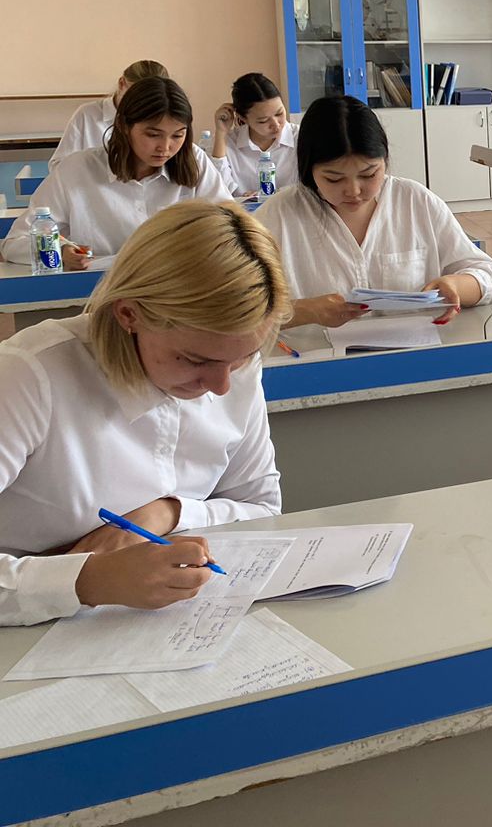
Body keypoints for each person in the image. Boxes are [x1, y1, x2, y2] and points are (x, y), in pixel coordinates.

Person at [0, 201, 291, 626]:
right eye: (194, 359)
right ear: (129, 313)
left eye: (242, 358)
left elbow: (262, 510)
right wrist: (87, 580)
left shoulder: (229, 364)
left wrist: (167, 513)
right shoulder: (29, 375)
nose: (221, 386)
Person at [256, 95, 492, 329]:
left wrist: (455, 285)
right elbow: (238, 308)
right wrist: (304, 311)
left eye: (369, 174)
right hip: (314, 355)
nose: (353, 191)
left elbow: (490, 277)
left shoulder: (415, 201)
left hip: (413, 351)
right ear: (308, 170)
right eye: (334, 179)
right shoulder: (278, 216)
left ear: (385, 160)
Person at [3, 77, 231, 270]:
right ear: (123, 125)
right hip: (97, 294)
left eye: (178, 135)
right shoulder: (76, 170)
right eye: (153, 135)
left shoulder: (194, 161)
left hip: (177, 290)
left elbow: (231, 226)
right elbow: (14, 242)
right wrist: (61, 251)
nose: (165, 147)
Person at [49, 60, 170, 168]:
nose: (142, 106)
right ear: (122, 84)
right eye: (136, 97)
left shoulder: (165, 119)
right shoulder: (87, 115)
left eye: (151, 101)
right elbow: (58, 167)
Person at [210, 72, 299, 198]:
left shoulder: (301, 137)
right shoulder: (228, 142)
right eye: (263, 121)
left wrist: (270, 196)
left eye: (279, 113)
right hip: (241, 210)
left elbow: (311, 186)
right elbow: (217, 189)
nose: (276, 124)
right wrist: (221, 133)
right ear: (243, 118)